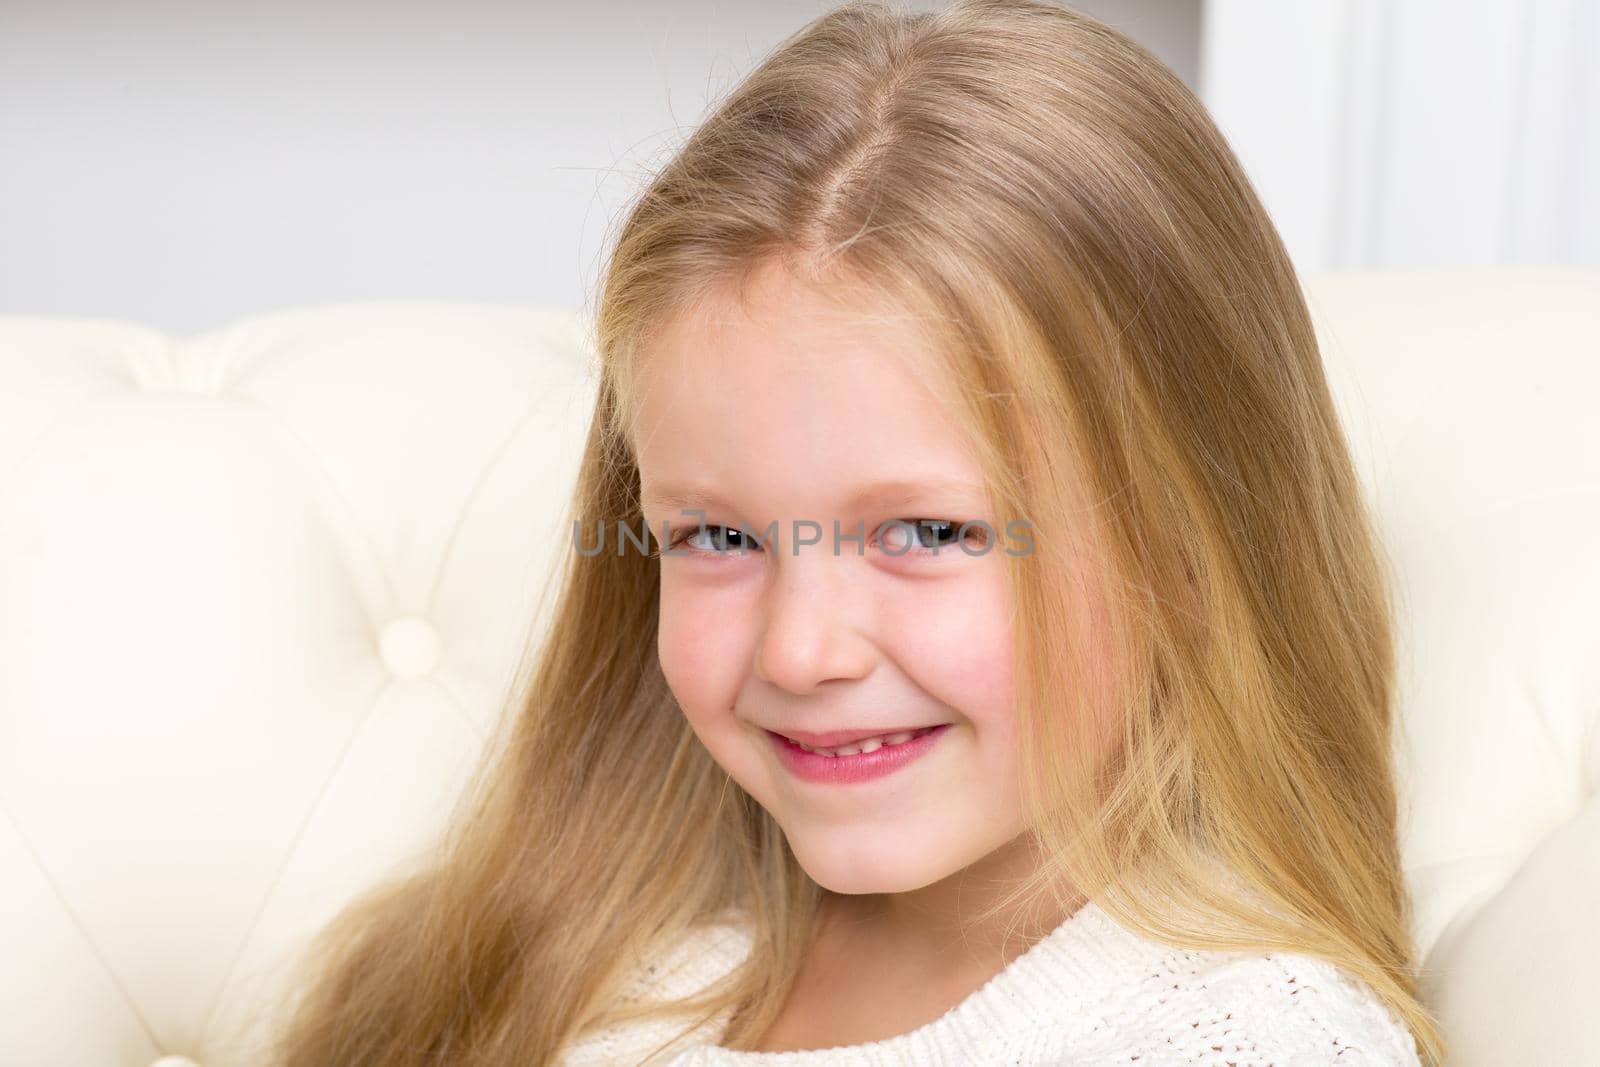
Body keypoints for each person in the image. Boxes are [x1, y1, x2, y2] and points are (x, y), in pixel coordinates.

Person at [268, 1, 1446, 1064]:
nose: (798, 651)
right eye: (716, 539)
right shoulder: (586, 954)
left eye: (927, 530)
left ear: (1194, 550)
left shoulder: (1252, 1035)